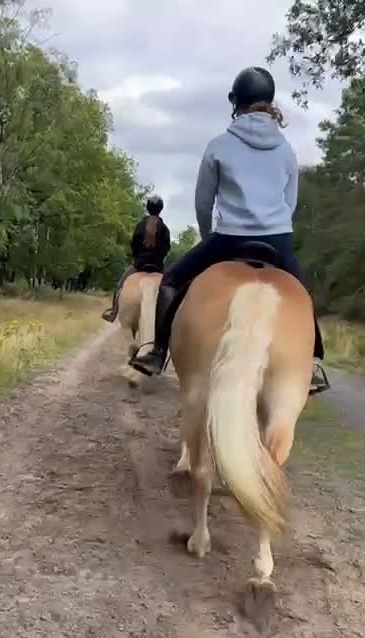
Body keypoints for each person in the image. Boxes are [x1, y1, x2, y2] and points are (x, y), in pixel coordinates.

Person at [129, 67, 329, 394]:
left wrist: (210, 239)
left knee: (171, 281)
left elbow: (202, 203)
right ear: (269, 102)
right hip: (277, 240)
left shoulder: (219, 145)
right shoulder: (286, 150)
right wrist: (272, 225)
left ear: (236, 102)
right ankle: (313, 363)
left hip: (229, 238)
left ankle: (157, 351)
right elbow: (289, 203)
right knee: (302, 295)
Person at [102, 195, 171, 322]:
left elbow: (133, 245)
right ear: (160, 209)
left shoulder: (139, 226)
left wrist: (137, 258)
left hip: (139, 265)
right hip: (158, 266)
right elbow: (167, 248)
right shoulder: (165, 229)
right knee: (172, 287)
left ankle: (113, 312)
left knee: (119, 286)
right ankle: (171, 317)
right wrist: (158, 257)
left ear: (148, 208)